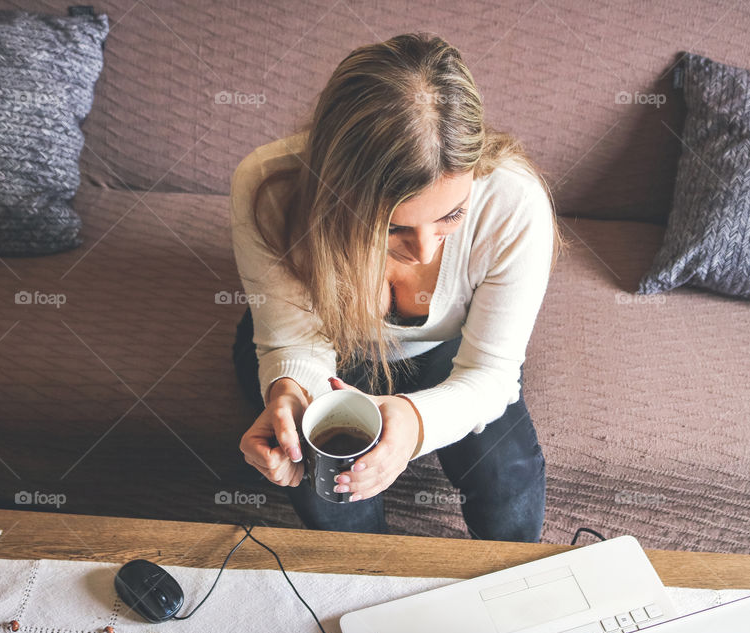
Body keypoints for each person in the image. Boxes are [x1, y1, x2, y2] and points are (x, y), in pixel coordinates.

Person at [230, 32, 564, 542]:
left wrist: (415, 420)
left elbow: (491, 374)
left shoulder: (513, 205)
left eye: (451, 215)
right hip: (323, 348)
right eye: (393, 228)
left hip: (446, 353)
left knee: (508, 479)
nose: (427, 252)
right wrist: (289, 390)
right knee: (333, 489)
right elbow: (292, 342)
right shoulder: (270, 188)